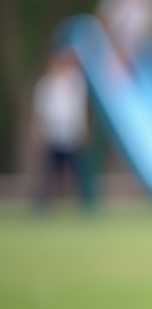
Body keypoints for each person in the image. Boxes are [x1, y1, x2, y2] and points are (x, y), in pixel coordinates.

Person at [31, 48, 93, 210]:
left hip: (71, 135)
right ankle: (41, 206)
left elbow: (79, 110)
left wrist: (83, 131)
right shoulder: (45, 85)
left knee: (78, 173)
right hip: (52, 135)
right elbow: (40, 113)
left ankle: (86, 205)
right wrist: (38, 134)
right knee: (48, 174)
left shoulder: (76, 83)